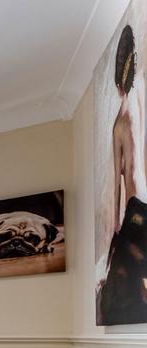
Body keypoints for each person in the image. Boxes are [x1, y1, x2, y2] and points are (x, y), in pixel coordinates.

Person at [100, 25, 147, 324]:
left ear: (118, 81)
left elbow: (118, 178)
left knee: (130, 265)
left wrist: (115, 227)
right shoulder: (138, 111)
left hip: (132, 204)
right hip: (143, 197)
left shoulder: (119, 122)